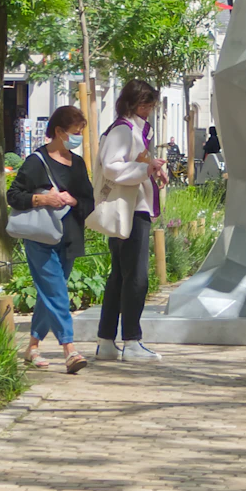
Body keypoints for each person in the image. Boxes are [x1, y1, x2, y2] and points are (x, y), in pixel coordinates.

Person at [6, 105, 95, 374]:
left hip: (69, 237)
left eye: (80, 132)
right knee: (57, 291)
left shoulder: (78, 163)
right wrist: (42, 199)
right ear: (58, 131)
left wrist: (74, 199)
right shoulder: (36, 161)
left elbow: (89, 201)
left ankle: (32, 347)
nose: (78, 137)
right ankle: (69, 349)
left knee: (49, 294)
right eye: (75, 132)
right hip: (40, 237)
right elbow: (14, 195)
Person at [93, 79, 169, 363]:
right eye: (145, 104)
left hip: (131, 208)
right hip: (131, 210)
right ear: (133, 103)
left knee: (120, 276)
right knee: (135, 276)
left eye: (149, 104)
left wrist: (150, 167)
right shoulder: (124, 130)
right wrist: (146, 167)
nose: (148, 109)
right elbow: (113, 167)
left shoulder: (130, 129)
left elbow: (130, 162)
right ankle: (132, 341)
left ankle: (107, 341)